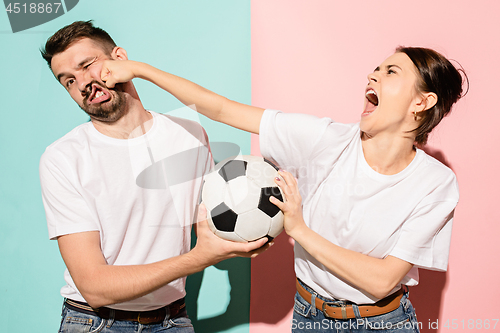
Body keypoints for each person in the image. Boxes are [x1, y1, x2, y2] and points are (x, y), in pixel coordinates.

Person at [98, 45, 466, 332]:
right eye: (376, 67)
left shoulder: (435, 183)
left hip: (383, 324)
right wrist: (140, 70)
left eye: (390, 71)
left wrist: (300, 229)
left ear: (422, 101)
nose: (373, 75)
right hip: (311, 317)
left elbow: (383, 279)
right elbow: (223, 109)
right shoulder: (326, 140)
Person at [39, 20, 270, 333]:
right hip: (95, 322)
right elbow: (93, 286)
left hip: (172, 320)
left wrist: (257, 216)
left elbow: (207, 222)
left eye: (87, 65)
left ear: (120, 60)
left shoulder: (189, 134)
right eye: (68, 80)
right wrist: (199, 259)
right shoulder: (63, 158)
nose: (81, 84)